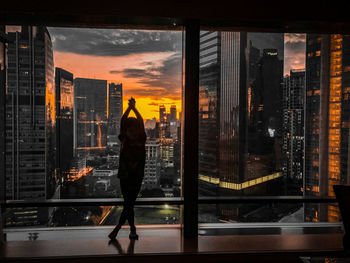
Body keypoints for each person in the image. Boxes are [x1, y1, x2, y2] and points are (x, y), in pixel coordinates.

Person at [108, 97, 146, 240]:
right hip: (124, 175)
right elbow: (123, 121)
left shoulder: (141, 139)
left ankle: (118, 229)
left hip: (136, 176)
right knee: (128, 203)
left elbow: (140, 121)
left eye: (134, 129)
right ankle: (132, 229)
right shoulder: (124, 139)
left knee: (129, 202)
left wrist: (134, 107)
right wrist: (129, 107)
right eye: (129, 129)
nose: (132, 132)